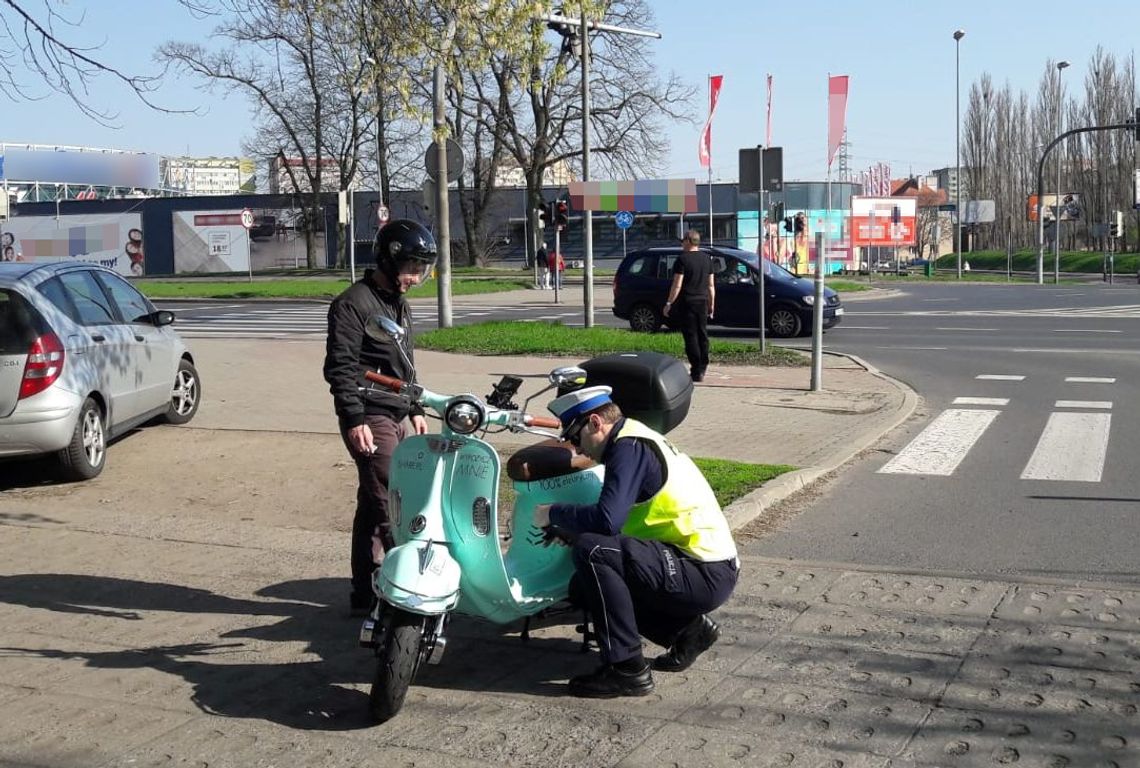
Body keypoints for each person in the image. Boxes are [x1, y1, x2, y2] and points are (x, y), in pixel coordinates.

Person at [532, 385, 739, 698]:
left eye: (576, 438)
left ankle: (627, 669)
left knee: (593, 551)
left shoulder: (628, 448)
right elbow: (622, 524)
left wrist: (554, 512)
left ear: (595, 423)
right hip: (696, 565)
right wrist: (572, 532)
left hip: (703, 570)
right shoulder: (634, 437)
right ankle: (687, 632)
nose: (578, 449)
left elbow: (607, 521)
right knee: (582, 585)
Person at [323, 219, 437, 616]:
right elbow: (340, 367)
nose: (416, 277)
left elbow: (404, 363)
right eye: (411, 268)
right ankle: (409, 592)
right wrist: (354, 419)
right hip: (368, 413)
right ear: (388, 261)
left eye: (422, 270)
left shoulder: (397, 303)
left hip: (396, 411)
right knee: (391, 500)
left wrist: (416, 407)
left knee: (371, 504)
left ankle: (365, 589)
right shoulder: (353, 304)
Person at [663, 229, 714, 382]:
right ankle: (703, 366)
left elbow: (677, 285)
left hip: (687, 302)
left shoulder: (682, 260)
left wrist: (669, 303)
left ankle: (696, 369)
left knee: (691, 336)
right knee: (702, 334)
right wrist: (712, 305)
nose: (681, 243)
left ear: (688, 241)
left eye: (682, 241)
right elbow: (711, 286)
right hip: (702, 302)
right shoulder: (707, 259)